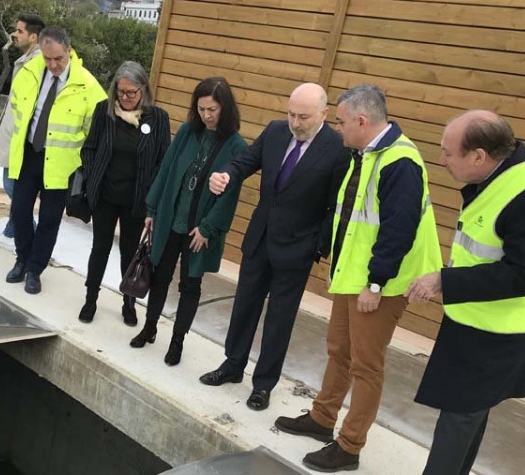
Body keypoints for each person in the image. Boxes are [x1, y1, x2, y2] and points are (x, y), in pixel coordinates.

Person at [273, 84, 442, 472]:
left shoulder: (400, 162)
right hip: (356, 276)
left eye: (343, 121)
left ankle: (349, 446)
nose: (340, 128)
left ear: (363, 120)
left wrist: (376, 284)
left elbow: (398, 229)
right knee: (339, 349)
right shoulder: (366, 154)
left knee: (366, 365)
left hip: (381, 284)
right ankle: (322, 419)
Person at [406, 111, 525, 475]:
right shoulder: (499, 176)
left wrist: (445, 281)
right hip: (478, 319)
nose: (442, 160)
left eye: (448, 153)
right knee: (468, 413)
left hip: (503, 330)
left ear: (478, 156)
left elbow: (524, 274)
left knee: (459, 415)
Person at [198, 83, 349, 411]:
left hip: (297, 248)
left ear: (324, 114)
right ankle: (232, 366)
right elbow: (245, 163)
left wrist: (316, 247)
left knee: (280, 320)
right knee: (244, 306)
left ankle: (264, 384)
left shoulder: (338, 148)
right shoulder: (275, 131)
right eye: (292, 114)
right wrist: (225, 175)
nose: (296, 122)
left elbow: (337, 206)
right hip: (261, 238)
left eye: (304, 117)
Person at [130, 76, 248, 366]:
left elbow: (230, 196)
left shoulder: (236, 146)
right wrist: (152, 210)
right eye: (201, 109)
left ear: (226, 108)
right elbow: (166, 170)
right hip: (171, 220)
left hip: (199, 230)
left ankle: (178, 342)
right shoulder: (186, 133)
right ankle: (150, 327)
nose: (206, 115)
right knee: (158, 277)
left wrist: (209, 228)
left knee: (190, 286)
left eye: (213, 109)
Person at [5, 26, 106, 294]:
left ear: (69, 51)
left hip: (62, 166)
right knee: (19, 211)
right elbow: (17, 106)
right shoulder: (29, 72)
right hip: (29, 155)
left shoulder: (88, 86)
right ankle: (22, 259)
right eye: (48, 58)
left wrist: (81, 164)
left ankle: (35, 270)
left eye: (58, 59)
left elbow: (96, 131)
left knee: (50, 220)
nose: (53, 64)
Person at [78, 61, 170, 326]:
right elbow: (89, 149)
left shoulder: (158, 118)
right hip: (105, 196)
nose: (126, 98)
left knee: (130, 255)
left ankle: (129, 303)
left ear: (143, 90)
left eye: (132, 92)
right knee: (100, 249)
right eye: (121, 92)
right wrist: (93, 173)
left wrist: (152, 196)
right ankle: (90, 299)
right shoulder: (103, 112)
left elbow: (163, 161)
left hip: (136, 201)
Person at [0, 13, 45, 246]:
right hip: (14, 133)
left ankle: (28, 237)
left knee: (14, 188)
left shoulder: (36, 64)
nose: (14, 34)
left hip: (21, 138)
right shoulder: (25, 60)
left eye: (20, 31)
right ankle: (12, 233)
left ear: (33, 37)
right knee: (13, 187)